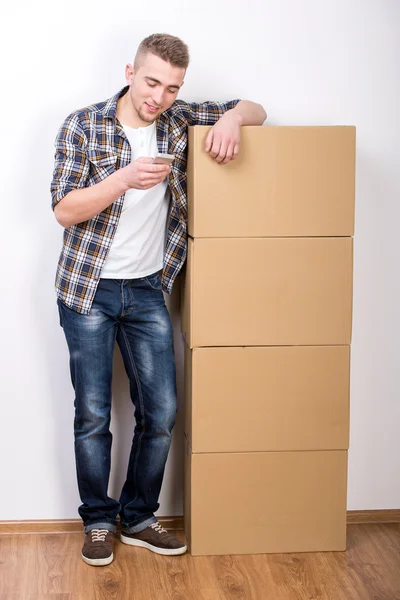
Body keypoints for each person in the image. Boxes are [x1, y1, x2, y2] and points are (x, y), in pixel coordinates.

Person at [51, 33, 266, 567]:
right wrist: (123, 179)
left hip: (148, 288)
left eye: (172, 87)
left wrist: (234, 120)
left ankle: (138, 517)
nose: (159, 97)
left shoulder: (176, 119)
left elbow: (257, 107)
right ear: (130, 71)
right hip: (88, 290)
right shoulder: (85, 123)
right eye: (151, 82)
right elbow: (64, 209)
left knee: (162, 412)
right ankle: (98, 521)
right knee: (93, 415)